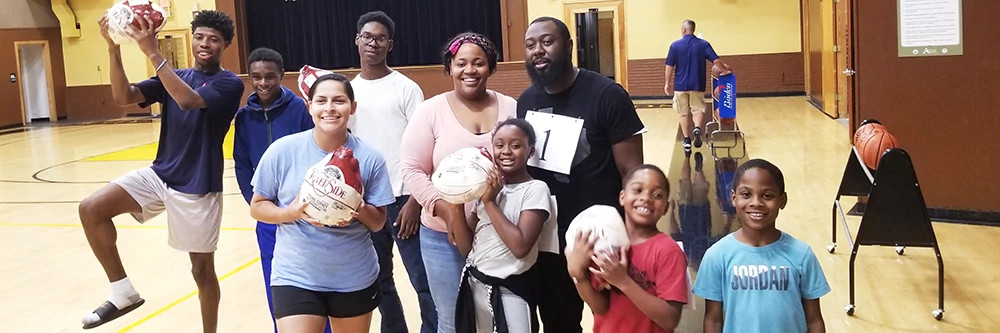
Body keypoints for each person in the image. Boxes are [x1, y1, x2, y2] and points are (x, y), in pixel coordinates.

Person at [80, 10, 243, 331]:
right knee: (91, 208)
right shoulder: (174, 74)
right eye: (199, 37)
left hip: (198, 184)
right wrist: (113, 48)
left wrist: (153, 52)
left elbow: (187, 100)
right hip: (160, 174)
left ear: (225, 45)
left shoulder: (229, 83)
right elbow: (123, 97)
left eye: (213, 39)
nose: (204, 43)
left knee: (201, 270)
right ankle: (122, 291)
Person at [518, 16, 645, 332]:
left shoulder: (608, 95)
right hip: (550, 236)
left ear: (569, 46)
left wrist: (636, 234)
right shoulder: (527, 101)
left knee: (617, 316)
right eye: (530, 45)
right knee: (559, 321)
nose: (538, 50)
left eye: (547, 42)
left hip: (603, 232)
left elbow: (633, 173)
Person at [249, 73, 395, 333]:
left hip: (353, 276)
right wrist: (291, 212)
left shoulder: (370, 158)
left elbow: (378, 222)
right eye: (321, 101)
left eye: (339, 101)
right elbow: (257, 207)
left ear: (352, 107)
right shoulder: (283, 151)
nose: (329, 108)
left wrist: (356, 205)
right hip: (296, 275)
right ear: (309, 106)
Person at [400, 32, 516, 333]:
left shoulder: (511, 108)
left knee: (501, 319)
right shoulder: (430, 111)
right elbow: (412, 169)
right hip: (442, 237)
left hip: (499, 234)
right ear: (449, 67)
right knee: (453, 322)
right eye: (461, 63)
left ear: (491, 67)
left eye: (478, 62)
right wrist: (446, 211)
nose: (469, 70)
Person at [348, 11, 435, 333]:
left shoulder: (406, 89)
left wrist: (415, 200)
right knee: (379, 281)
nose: (373, 43)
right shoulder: (348, 92)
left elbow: (426, 147)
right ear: (357, 40)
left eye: (380, 38)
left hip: (403, 201)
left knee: (422, 280)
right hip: (368, 203)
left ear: (390, 44)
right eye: (367, 37)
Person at [693, 159, 830, 333]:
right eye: (746, 194)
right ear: (734, 198)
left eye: (767, 195)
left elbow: (814, 320)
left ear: (782, 200)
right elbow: (713, 320)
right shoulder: (717, 255)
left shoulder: (802, 255)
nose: (756, 202)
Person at [234, 47, 314, 332]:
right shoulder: (244, 118)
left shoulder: (300, 110)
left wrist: (306, 202)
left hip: (304, 212)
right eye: (256, 77)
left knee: (313, 281)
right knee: (276, 282)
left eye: (270, 76)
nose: (263, 83)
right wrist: (258, 203)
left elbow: (316, 152)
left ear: (281, 75)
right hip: (269, 216)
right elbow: (242, 165)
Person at [452, 119, 554, 333]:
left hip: (512, 289)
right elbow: (467, 248)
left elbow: (520, 247)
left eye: (515, 146)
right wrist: (456, 205)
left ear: (530, 151)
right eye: (499, 145)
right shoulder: (485, 188)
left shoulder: (536, 189)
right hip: (476, 283)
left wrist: (490, 202)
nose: (506, 151)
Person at [567, 164, 688, 333]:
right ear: (622, 197)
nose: (646, 198)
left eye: (657, 195)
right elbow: (600, 307)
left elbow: (670, 319)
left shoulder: (668, 250)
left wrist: (623, 281)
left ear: (666, 208)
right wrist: (578, 275)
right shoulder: (604, 242)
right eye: (638, 190)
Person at [663, 19, 731, 153]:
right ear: (693, 29)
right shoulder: (703, 44)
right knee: (698, 109)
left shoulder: (675, 45)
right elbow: (716, 60)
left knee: (683, 113)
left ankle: (687, 140)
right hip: (697, 83)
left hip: (680, 85)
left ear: (683, 30)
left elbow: (669, 66)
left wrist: (667, 83)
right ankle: (697, 129)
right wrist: (724, 70)